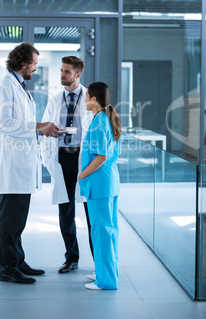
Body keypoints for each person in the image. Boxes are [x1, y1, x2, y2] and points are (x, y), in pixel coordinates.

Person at [0, 42, 61, 284]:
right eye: (34, 64)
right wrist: (38, 127)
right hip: (12, 163)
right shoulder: (5, 86)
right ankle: (7, 269)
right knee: (10, 219)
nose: (35, 69)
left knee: (18, 219)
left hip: (22, 162)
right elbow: (5, 124)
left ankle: (18, 261)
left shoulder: (18, 85)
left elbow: (23, 123)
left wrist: (41, 129)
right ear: (22, 63)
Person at [41, 56, 93, 274]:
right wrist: (47, 160)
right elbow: (44, 129)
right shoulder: (55, 99)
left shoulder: (90, 97)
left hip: (85, 160)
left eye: (67, 72)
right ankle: (71, 258)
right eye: (61, 71)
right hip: (63, 158)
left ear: (78, 75)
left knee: (92, 212)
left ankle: (100, 261)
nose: (62, 75)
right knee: (65, 211)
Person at [79, 82, 122, 290]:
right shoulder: (107, 118)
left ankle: (105, 281)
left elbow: (101, 157)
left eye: (87, 95)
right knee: (110, 230)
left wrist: (82, 174)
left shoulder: (98, 122)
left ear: (94, 98)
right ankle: (107, 273)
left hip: (99, 185)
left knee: (101, 231)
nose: (85, 98)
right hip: (109, 184)